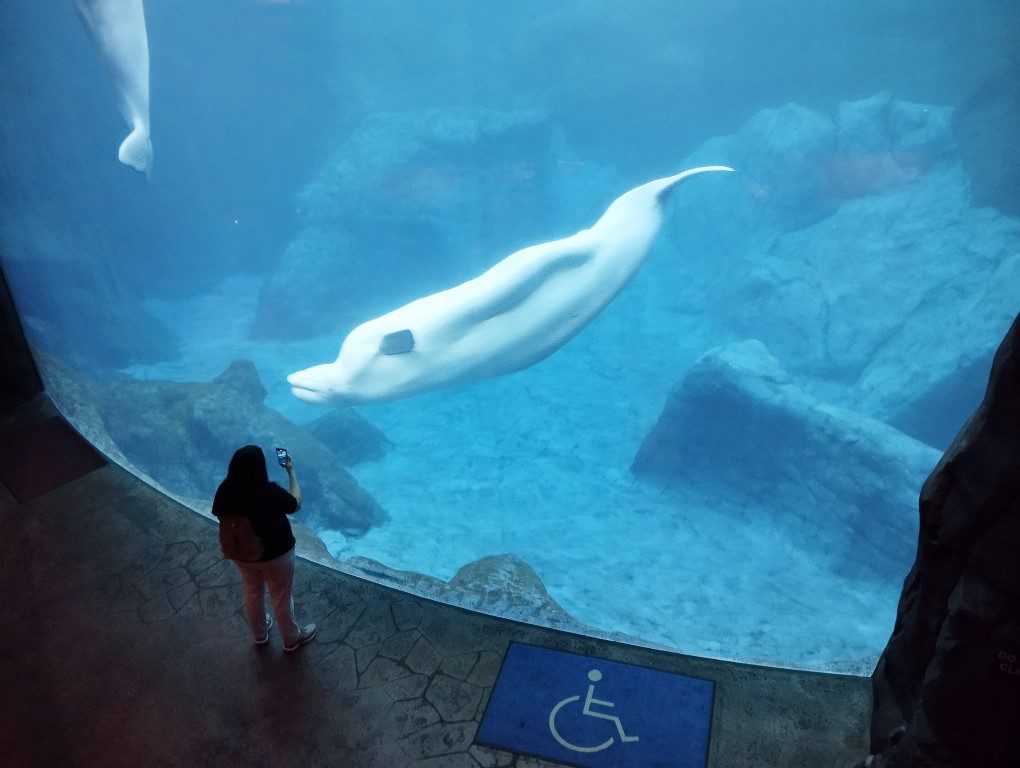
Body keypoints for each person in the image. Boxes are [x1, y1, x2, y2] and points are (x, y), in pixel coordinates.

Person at [212, 445, 316, 651]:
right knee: (281, 596)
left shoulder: (225, 490)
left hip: (243, 554)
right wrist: (291, 471)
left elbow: (218, 512)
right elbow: (296, 504)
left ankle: (260, 634)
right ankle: (291, 639)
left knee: (252, 592)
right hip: (277, 554)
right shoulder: (270, 492)